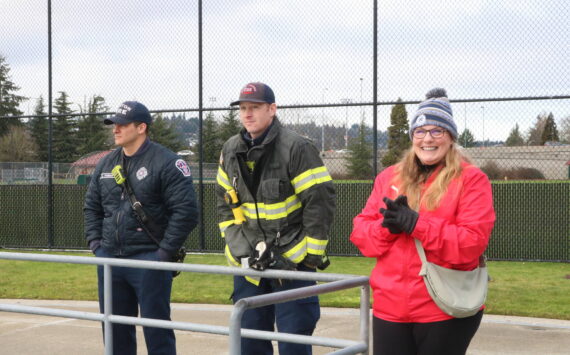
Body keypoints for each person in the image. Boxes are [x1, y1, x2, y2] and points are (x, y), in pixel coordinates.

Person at [350, 88, 495, 355]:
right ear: (412, 137)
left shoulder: (472, 180)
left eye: (437, 131)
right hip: (389, 309)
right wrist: (388, 228)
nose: (427, 138)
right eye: (420, 131)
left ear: (450, 137)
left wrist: (418, 225)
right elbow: (360, 234)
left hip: (443, 309)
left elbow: (471, 244)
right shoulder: (388, 178)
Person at [216, 82, 336, 354]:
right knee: (249, 341)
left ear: (272, 109)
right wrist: (240, 250)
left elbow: (320, 203)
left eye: (255, 107)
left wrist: (309, 256)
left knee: (294, 342)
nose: (248, 114)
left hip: (291, 264)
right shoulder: (230, 150)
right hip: (250, 266)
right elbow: (224, 205)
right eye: (243, 108)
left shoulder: (297, 148)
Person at [84, 101, 198, 355]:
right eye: (114, 124)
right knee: (115, 332)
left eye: (122, 125)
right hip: (110, 261)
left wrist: (163, 255)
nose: (116, 129)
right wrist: (97, 247)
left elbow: (187, 212)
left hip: (149, 260)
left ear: (142, 127)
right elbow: (92, 207)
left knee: (156, 332)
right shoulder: (106, 164)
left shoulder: (167, 162)